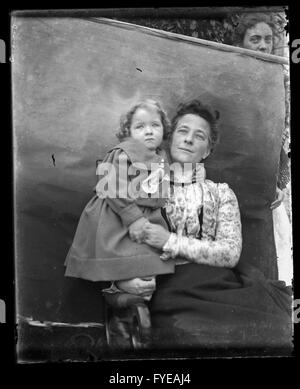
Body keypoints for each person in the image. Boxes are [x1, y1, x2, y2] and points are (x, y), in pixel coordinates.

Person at [117, 99, 292, 349]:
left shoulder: (221, 193)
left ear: (207, 151)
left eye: (199, 136)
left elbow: (229, 254)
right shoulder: (144, 189)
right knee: (196, 337)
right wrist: (125, 283)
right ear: (170, 138)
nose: (189, 140)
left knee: (272, 332)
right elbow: (120, 249)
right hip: (172, 293)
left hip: (225, 287)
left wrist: (169, 241)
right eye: (183, 131)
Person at [64, 99, 175, 301]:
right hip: (117, 216)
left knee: (148, 265)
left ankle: (136, 298)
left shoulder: (160, 157)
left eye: (155, 125)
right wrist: (133, 218)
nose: (149, 131)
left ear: (164, 130)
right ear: (128, 132)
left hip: (148, 217)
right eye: (140, 126)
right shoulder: (123, 153)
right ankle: (122, 287)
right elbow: (110, 186)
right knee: (126, 260)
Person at [232, 12, 292, 286]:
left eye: (267, 40)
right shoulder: (229, 76)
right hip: (235, 178)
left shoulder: (279, 79)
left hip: (266, 183)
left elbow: (279, 136)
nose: (262, 46)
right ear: (241, 43)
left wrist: (280, 181)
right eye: (254, 39)